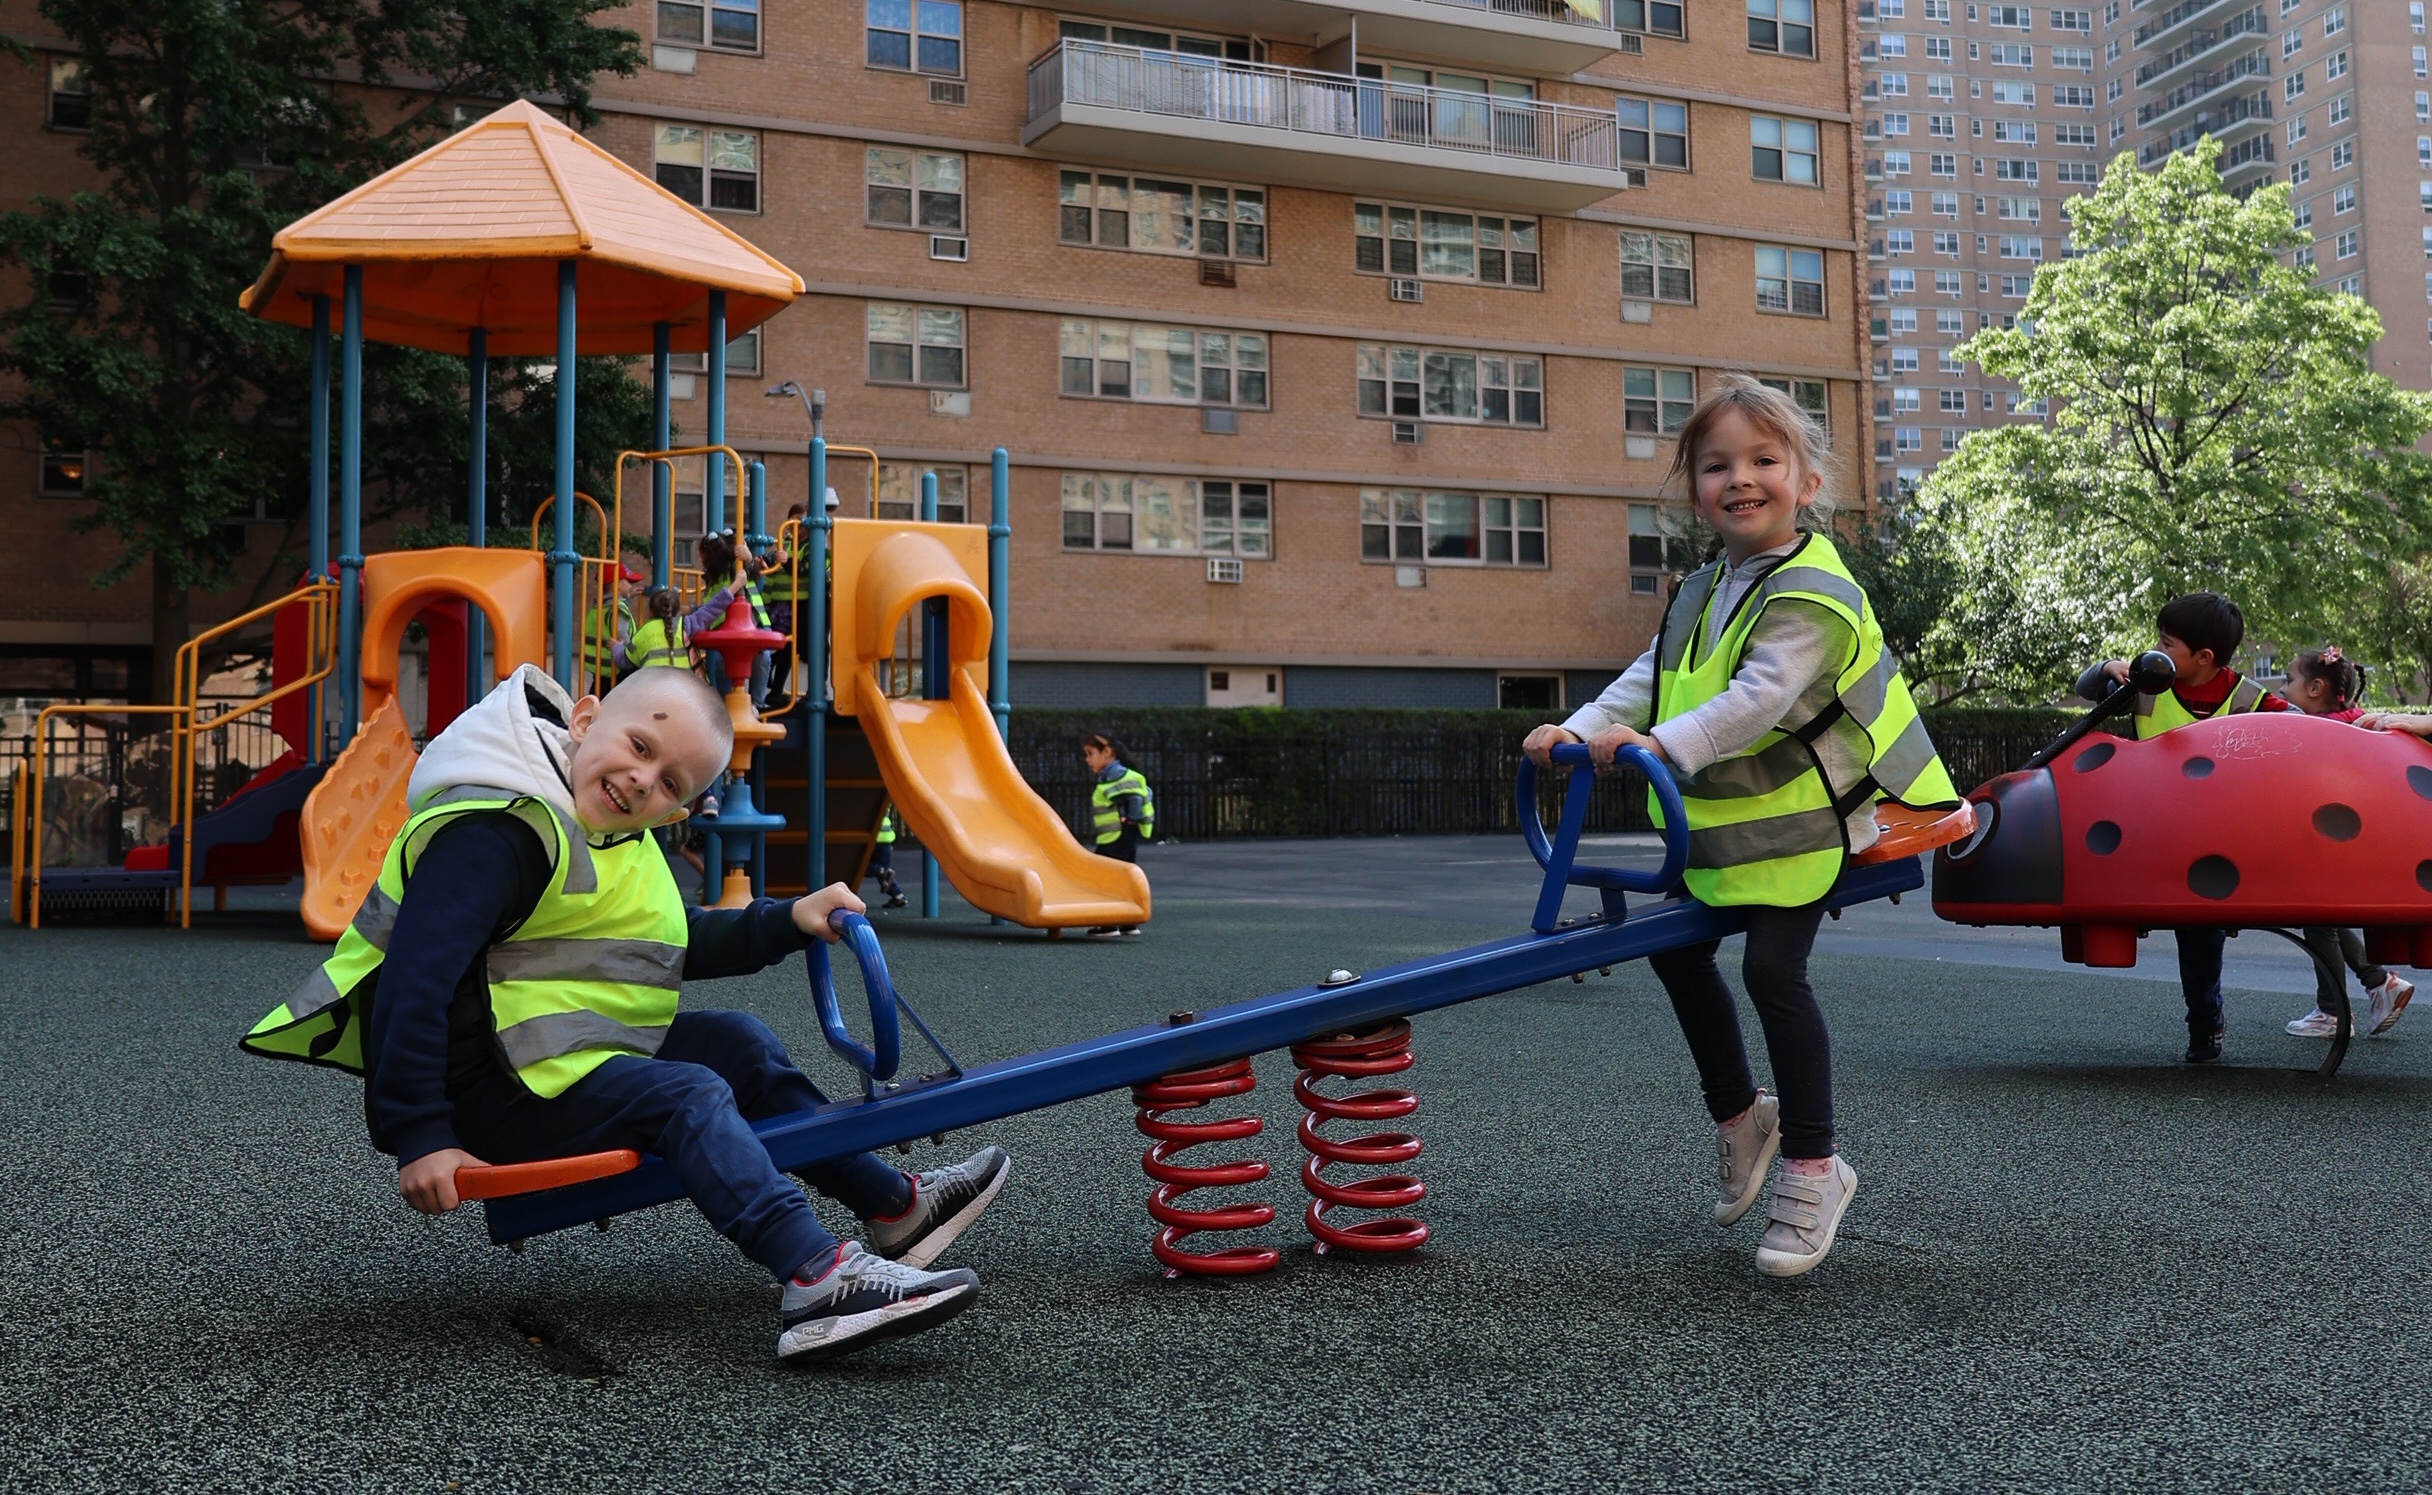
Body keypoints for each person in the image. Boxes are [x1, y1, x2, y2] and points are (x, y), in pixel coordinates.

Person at [240, 664, 1012, 1362]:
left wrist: (786, 918)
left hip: (550, 1056)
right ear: (583, 721)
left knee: (737, 1043)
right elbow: (415, 980)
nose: (644, 780)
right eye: (638, 746)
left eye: (672, 782)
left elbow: (668, 942)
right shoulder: (498, 830)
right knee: (686, 1091)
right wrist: (421, 1134)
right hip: (486, 1091)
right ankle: (815, 1274)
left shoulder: (614, 835)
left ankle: (894, 1207)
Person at [1521, 374, 1960, 1279]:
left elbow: (1758, 701)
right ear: (1695, 491)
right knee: (1674, 948)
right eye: (1718, 465)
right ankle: (1740, 1113)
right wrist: (1581, 725)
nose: (1741, 478)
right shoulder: (1702, 586)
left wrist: (1657, 744)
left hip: (1811, 823)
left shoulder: (1811, 589)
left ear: (1805, 479)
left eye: (1765, 459)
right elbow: (1649, 672)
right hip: (1726, 827)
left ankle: (1814, 1164)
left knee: (1771, 969)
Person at [2077, 593, 2291, 1064]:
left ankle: (2204, 1020)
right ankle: (2204, 1015)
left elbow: (2300, 730)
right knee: (2183, 928)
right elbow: (2085, 686)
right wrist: (2109, 666)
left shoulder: (2248, 698)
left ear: (2204, 658)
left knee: (2199, 935)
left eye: (2167, 641)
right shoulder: (2148, 682)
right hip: (2154, 829)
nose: (2157, 647)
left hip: (2217, 839)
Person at [2277, 646, 2413, 1037]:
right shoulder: (2359, 723)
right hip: (2360, 838)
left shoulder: (2318, 732)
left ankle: (2332, 1011)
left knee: (2318, 921)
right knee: (2322, 920)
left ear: (2316, 687)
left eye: (2289, 680)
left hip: (2328, 838)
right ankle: (2378, 982)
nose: (2284, 690)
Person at [1082, 730, 1151, 939]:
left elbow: (1134, 798)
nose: (1087, 760)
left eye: (1090, 753)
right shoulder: (1115, 774)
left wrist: (1131, 817)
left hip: (1116, 836)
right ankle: (1129, 921)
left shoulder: (1115, 774)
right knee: (1125, 874)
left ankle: (1108, 923)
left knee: (1106, 875)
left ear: (1107, 753)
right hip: (1125, 835)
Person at [697, 531, 774, 708]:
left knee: (761, 656)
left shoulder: (734, 568)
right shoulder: (713, 577)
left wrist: (749, 559)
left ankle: (756, 703)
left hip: (752, 622)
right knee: (719, 662)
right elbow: (709, 604)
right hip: (724, 630)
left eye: (702, 555)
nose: (701, 560)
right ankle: (727, 703)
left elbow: (748, 570)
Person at [581, 555, 647, 696]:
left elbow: (609, 621)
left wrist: (627, 598)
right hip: (617, 668)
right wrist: (638, 655)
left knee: (598, 700)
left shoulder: (598, 607)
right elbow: (622, 637)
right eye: (628, 582)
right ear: (617, 584)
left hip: (600, 667)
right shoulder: (618, 609)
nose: (630, 586)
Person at [617, 587, 694, 673]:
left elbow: (626, 661)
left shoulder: (645, 630)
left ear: (650, 612)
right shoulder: (686, 626)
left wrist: (616, 647)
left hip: (652, 681)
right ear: (679, 611)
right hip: (685, 681)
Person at [867, 805, 907, 909]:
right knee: (884, 872)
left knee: (860, 866)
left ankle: (881, 870)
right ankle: (898, 896)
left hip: (872, 836)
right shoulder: (884, 796)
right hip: (886, 837)